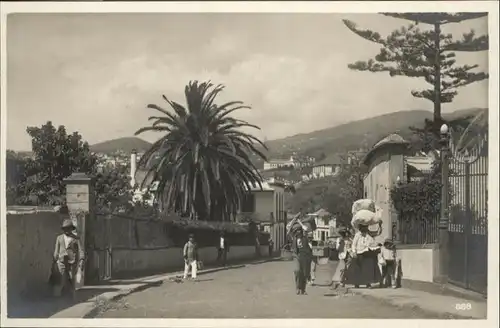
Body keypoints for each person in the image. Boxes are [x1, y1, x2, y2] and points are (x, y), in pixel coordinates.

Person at [52, 219, 85, 298]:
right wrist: (54, 261)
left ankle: (71, 297)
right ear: (63, 229)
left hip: (72, 262)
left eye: (68, 228)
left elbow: (81, 250)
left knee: (71, 279)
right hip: (61, 261)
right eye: (65, 228)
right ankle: (59, 297)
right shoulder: (59, 238)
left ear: (71, 229)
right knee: (61, 278)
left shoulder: (76, 239)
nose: (66, 230)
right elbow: (56, 251)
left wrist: (81, 259)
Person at [351, 224, 379, 288]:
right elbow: (353, 244)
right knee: (358, 269)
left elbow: (373, 241)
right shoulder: (357, 235)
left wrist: (374, 246)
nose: (364, 229)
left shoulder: (368, 235)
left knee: (367, 268)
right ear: (360, 228)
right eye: (363, 228)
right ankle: (357, 283)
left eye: (365, 227)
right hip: (359, 253)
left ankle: (367, 283)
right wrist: (354, 252)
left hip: (366, 253)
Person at [291, 227, 313, 295]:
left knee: (304, 273)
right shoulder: (293, 239)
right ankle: (298, 288)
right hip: (297, 256)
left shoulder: (305, 239)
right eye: (297, 231)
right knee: (297, 271)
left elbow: (309, 249)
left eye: (299, 231)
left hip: (305, 257)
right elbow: (288, 228)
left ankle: (303, 289)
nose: (298, 232)